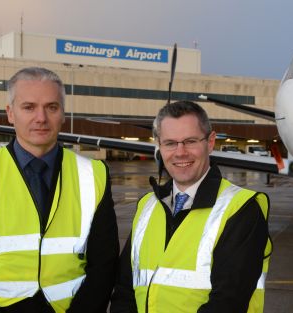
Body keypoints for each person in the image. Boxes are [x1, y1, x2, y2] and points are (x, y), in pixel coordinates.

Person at [0, 67, 119, 313]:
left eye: (51, 107)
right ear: (10, 113)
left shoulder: (94, 174)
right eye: (29, 107)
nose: (41, 117)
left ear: (62, 114)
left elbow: (104, 266)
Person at [110, 100, 271, 313]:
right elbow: (124, 291)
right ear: (159, 145)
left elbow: (228, 303)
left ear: (211, 142)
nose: (180, 152)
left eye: (190, 141)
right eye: (170, 143)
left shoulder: (241, 209)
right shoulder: (147, 206)